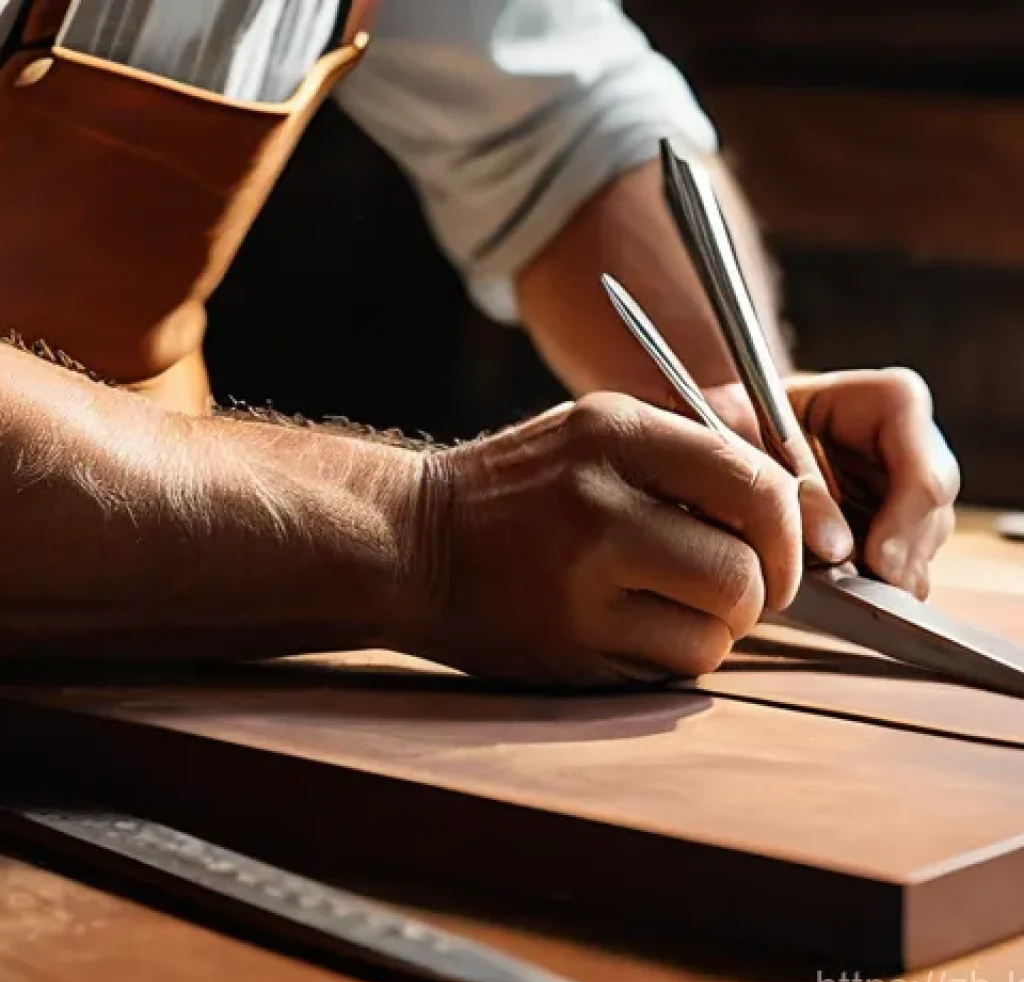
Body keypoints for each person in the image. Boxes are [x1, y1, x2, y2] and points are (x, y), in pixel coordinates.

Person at [0, 0, 959, 682]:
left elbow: (563, 122)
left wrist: (733, 424)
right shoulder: (429, 542)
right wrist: (427, 540)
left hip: (166, 638)